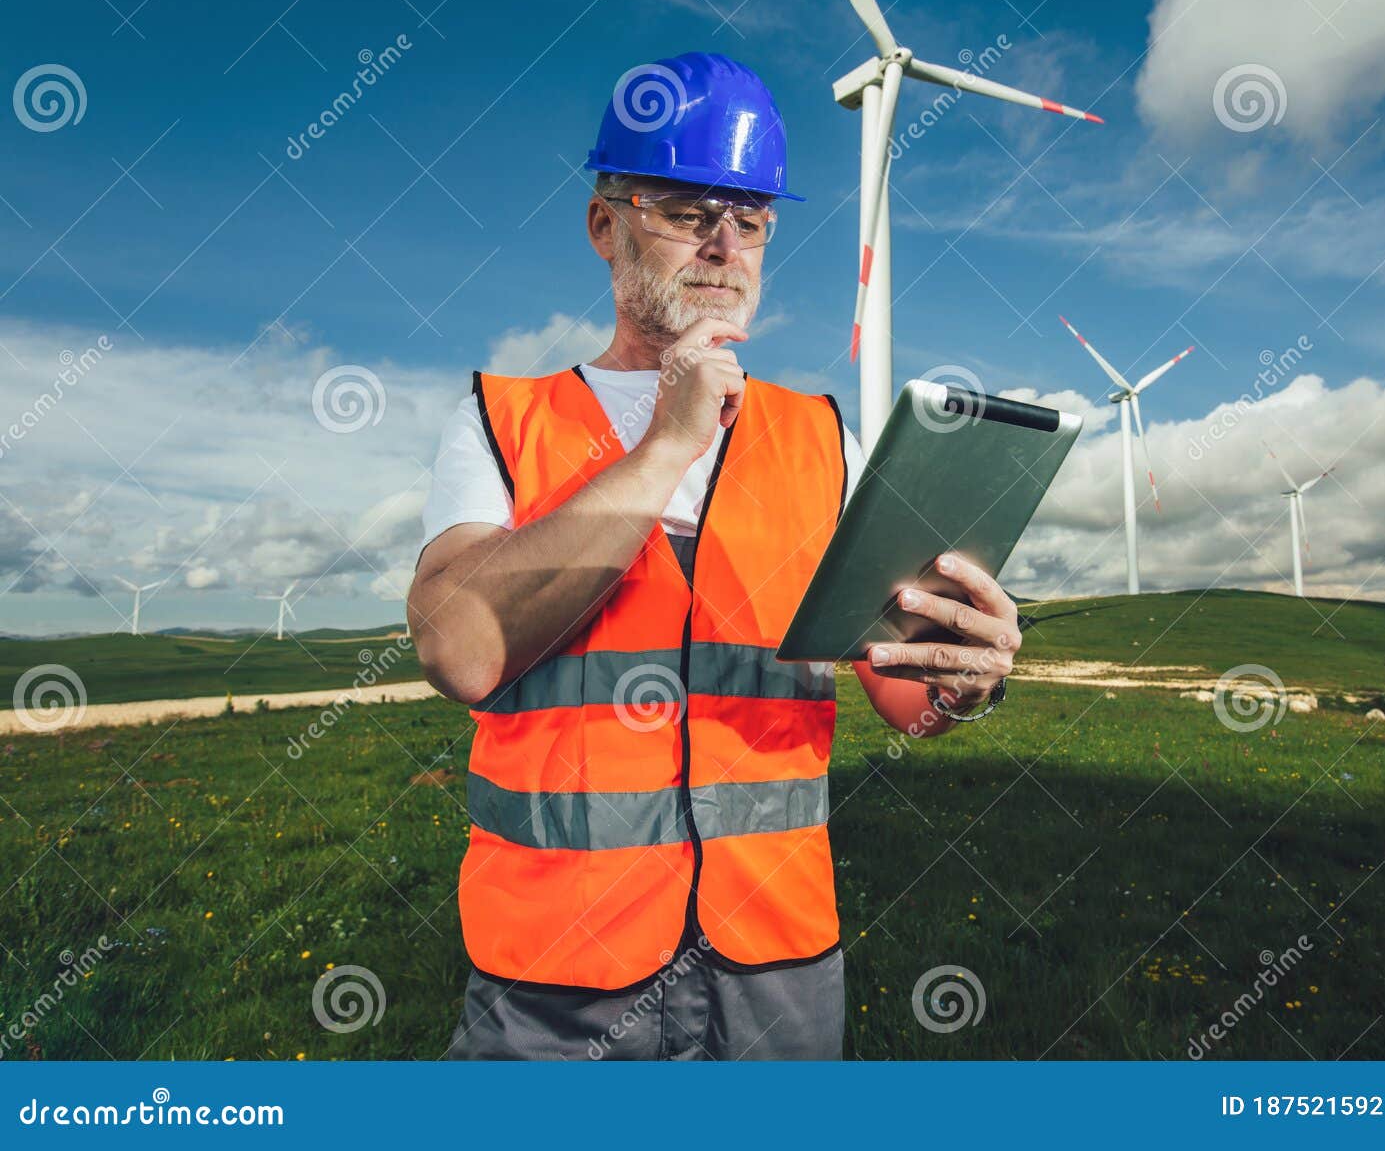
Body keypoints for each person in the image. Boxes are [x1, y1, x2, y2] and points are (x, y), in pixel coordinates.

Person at [408, 51, 1021, 1060]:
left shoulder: (823, 439)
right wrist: (666, 445)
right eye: (689, 211)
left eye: (751, 218)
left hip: (777, 968)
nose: (725, 244)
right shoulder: (504, 420)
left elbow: (902, 700)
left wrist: (962, 677)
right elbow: (458, 648)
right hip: (555, 978)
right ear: (604, 224)